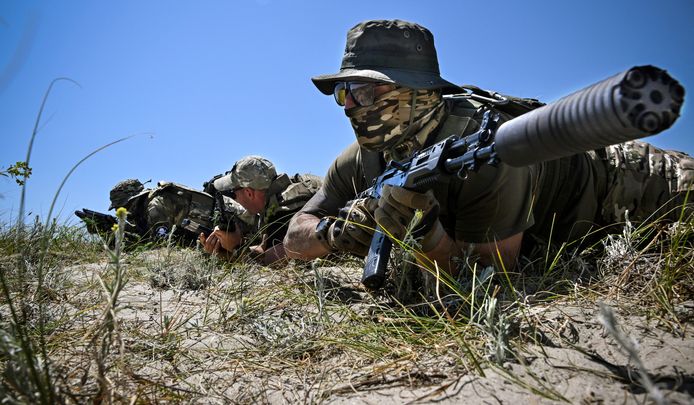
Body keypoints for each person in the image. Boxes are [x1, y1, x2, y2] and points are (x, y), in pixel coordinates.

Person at [283, 19, 693, 277]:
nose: (349, 106)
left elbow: (484, 283)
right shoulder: (363, 158)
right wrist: (337, 233)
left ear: (420, 92)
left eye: (364, 92)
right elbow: (294, 235)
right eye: (343, 94)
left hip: (641, 187)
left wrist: (423, 232)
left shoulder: (491, 146)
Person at [200, 156, 322, 265]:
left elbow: (273, 264)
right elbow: (265, 249)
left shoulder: (284, 210)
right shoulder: (278, 197)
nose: (235, 199)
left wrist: (237, 247)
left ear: (248, 193)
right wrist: (226, 250)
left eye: (233, 193)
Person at [106, 178, 248, 245]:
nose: (123, 211)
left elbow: (160, 242)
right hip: (227, 225)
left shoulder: (155, 205)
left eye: (123, 206)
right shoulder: (151, 202)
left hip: (238, 222)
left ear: (133, 200)